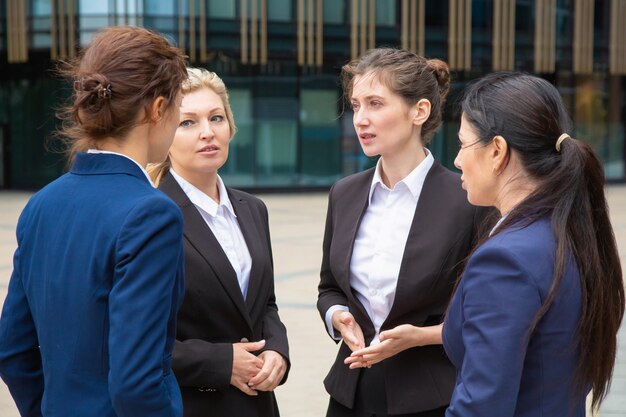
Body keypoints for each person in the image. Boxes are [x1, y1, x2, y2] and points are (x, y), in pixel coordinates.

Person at [0, 27, 188, 417]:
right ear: (157, 109)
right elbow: (136, 384)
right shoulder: (151, 213)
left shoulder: (42, 204)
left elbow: (13, 351)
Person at [443, 72, 625, 416]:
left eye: (462, 143)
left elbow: (481, 407)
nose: (457, 159)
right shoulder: (567, 233)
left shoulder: (505, 259)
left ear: (497, 151)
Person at [317, 48, 484, 417]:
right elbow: (329, 287)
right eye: (356, 105)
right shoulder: (344, 194)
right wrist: (337, 317)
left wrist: (420, 338)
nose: (360, 118)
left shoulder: (468, 200)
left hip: (431, 397)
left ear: (419, 111)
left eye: (375, 104)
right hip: (350, 392)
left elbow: (483, 311)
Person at [149, 67, 290, 417]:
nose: (207, 133)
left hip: (258, 404)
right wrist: (221, 362)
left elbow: (264, 304)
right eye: (188, 123)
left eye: (216, 118)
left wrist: (277, 350)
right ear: (164, 132)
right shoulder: (149, 216)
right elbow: (137, 340)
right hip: (192, 405)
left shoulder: (253, 209)